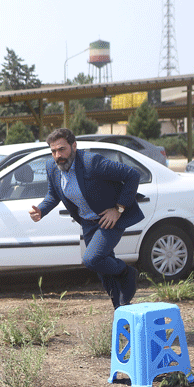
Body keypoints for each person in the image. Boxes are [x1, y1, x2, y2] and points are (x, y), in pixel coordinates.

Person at [29, 128, 142, 308]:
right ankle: (121, 309)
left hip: (109, 220)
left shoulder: (92, 162)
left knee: (92, 259)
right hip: (88, 223)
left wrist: (118, 208)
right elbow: (53, 195)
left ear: (74, 146)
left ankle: (126, 272)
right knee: (104, 272)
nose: (58, 155)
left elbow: (132, 175)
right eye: (53, 151)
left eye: (62, 149)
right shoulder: (52, 167)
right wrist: (41, 210)